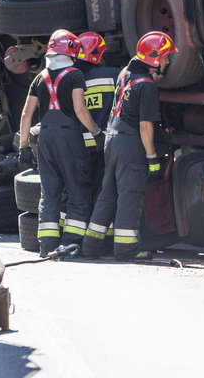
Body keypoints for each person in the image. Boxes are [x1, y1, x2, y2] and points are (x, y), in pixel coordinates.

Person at [81, 31, 177, 261]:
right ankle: (126, 250)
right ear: (155, 58)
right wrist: (152, 157)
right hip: (130, 144)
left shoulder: (125, 73)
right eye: (166, 57)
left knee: (108, 195)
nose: (168, 61)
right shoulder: (147, 86)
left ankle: (91, 247)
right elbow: (145, 126)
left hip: (111, 140)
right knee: (130, 195)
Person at [18, 29, 104, 257]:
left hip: (44, 137)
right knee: (77, 190)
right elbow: (79, 109)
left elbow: (27, 114)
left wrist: (23, 146)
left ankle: (46, 246)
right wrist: (96, 131)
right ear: (72, 51)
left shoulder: (39, 77)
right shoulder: (75, 75)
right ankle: (71, 243)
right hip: (69, 137)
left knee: (49, 193)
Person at [75, 32, 121, 204]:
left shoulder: (68, 79)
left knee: (80, 196)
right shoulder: (113, 75)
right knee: (105, 193)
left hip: (77, 148)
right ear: (97, 54)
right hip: (103, 144)